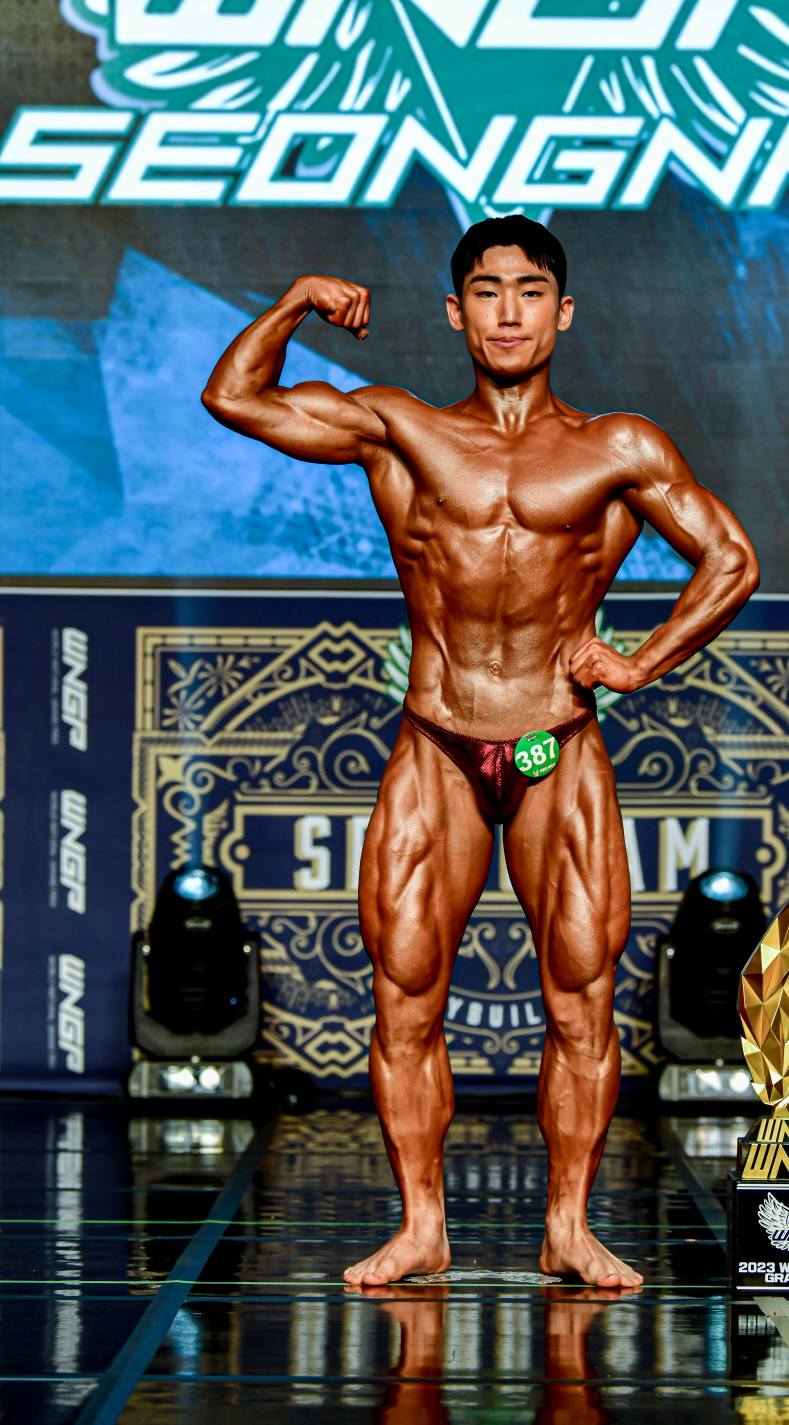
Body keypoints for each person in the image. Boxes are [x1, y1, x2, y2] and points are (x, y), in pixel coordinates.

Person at [202, 216, 759, 1288]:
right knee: (405, 994)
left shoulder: (619, 449)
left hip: (558, 745)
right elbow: (233, 397)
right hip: (437, 744)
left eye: (530, 291)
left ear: (563, 312)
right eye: (488, 293)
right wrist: (296, 300)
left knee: (580, 997)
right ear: (457, 313)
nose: (509, 312)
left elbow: (729, 560)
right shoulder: (400, 429)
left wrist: (639, 663)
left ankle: (568, 1227)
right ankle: (421, 1227)